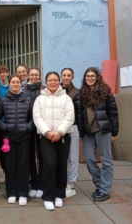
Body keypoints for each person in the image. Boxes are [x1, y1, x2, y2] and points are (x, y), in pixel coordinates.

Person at [33, 71, 74, 211]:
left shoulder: (66, 98)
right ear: (46, 81)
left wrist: (59, 132)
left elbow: (69, 117)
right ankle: (48, 196)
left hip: (63, 137)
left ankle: (58, 195)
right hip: (46, 137)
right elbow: (37, 117)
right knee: (49, 164)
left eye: (55, 80)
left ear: (59, 81)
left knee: (61, 165)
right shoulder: (40, 98)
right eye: (50, 80)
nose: (53, 82)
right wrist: (47, 132)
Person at [78, 67, 119, 202]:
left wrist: (115, 132)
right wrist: (81, 132)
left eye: (92, 76)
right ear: (85, 78)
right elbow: (80, 116)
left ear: (97, 77)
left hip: (103, 130)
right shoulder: (81, 95)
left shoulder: (106, 93)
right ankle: (100, 185)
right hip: (89, 132)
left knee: (106, 160)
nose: (90, 78)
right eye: (87, 76)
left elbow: (113, 113)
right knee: (89, 160)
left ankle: (104, 190)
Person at [0, 75, 34, 206]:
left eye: (17, 82)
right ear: (10, 83)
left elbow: (32, 118)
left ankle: (23, 193)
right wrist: (5, 128)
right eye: (13, 82)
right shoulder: (3, 100)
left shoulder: (28, 99)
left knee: (23, 166)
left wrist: (27, 128)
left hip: (24, 137)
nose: (15, 84)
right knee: (10, 166)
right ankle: (11, 193)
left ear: (21, 83)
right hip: (9, 138)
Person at [61, 68, 81, 198]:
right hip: (59, 128)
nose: (66, 77)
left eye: (69, 75)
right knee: (63, 157)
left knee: (73, 157)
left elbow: (79, 112)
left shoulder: (77, 93)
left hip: (73, 127)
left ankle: (71, 184)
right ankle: (62, 182)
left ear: (72, 77)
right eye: (64, 75)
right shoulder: (57, 90)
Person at [24, 67, 44, 198]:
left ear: (39, 76)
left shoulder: (44, 90)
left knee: (43, 156)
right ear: (28, 76)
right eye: (32, 74)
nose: (34, 76)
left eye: (36, 74)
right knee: (30, 156)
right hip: (28, 127)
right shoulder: (23, 90)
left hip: (42, 127)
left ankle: (42, 184)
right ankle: (34, 183)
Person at [0, 65, 10, 183]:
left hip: (11, 122)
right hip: (0, 123)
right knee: (2, 149)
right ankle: (5, 172)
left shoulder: (13, 85)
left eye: (5, 72)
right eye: (0, 73)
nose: (3, 74)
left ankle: (12, 172)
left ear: (8, 73)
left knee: (11, 149)